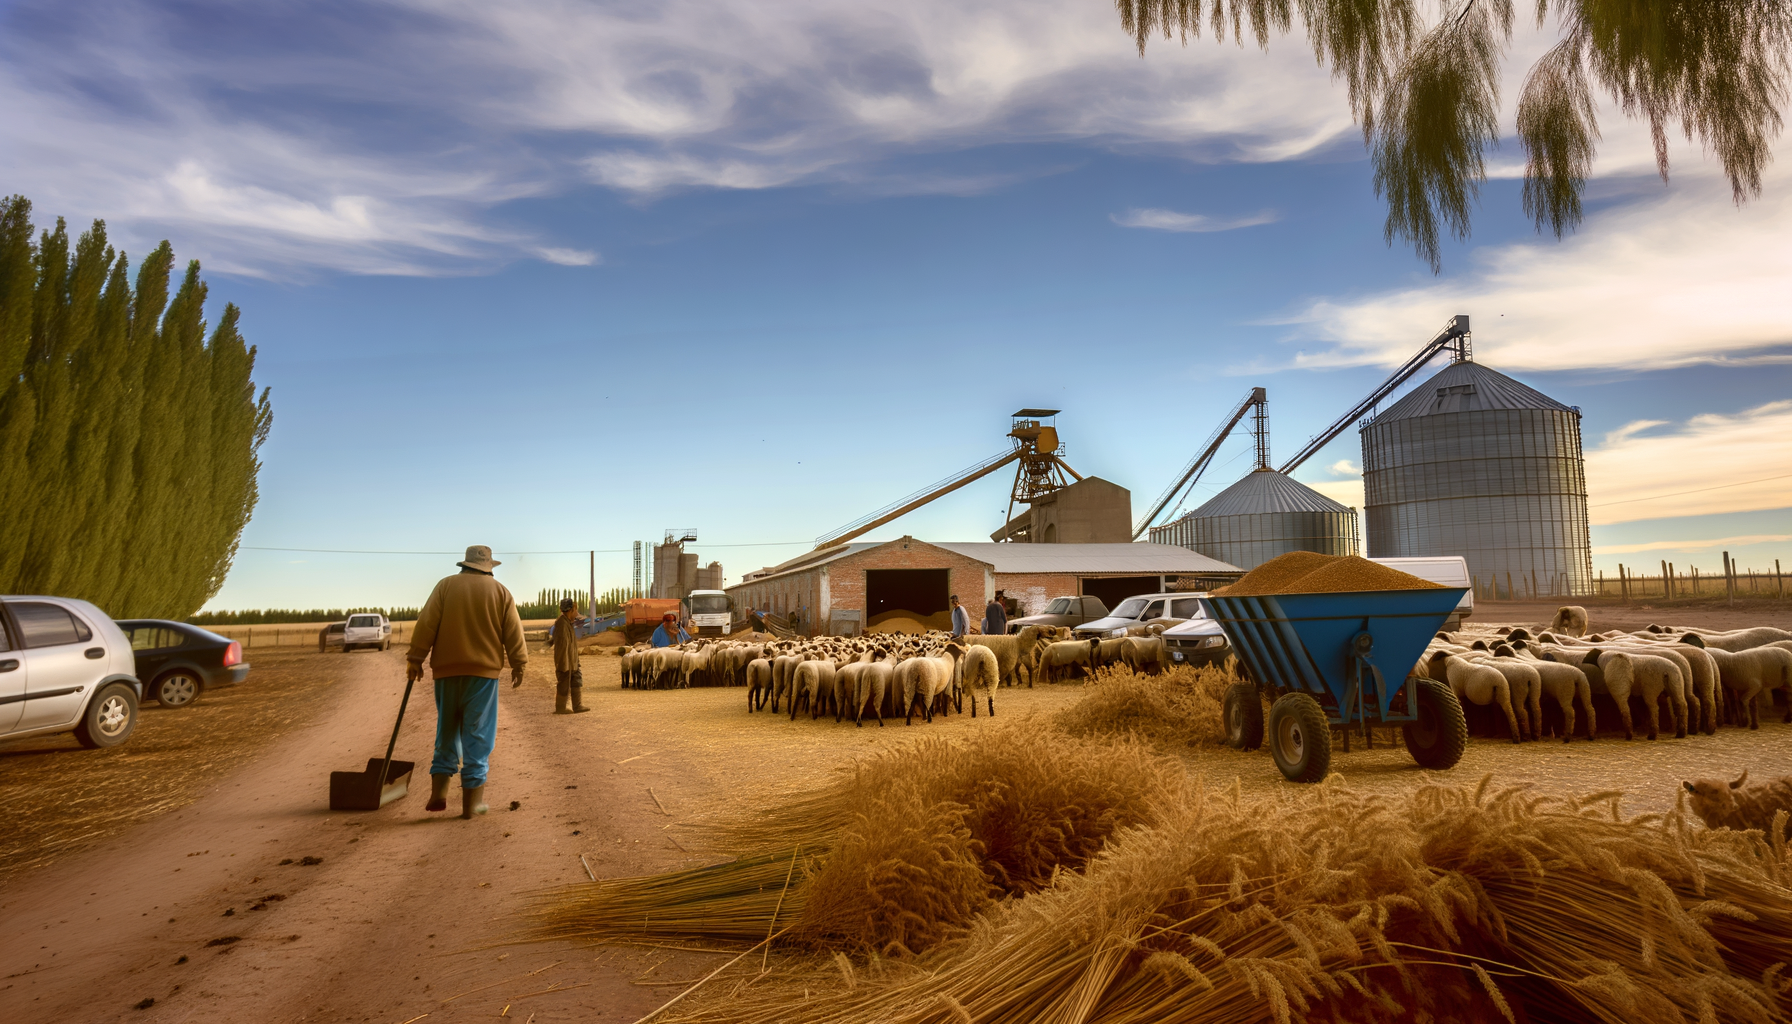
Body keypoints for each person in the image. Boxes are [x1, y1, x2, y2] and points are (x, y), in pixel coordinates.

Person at [406, 545, 527, 819]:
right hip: (483, 675)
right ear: (489, 568)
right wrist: (518, 663)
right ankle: (471, 806)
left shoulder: (445, 586)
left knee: (447, 728)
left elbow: (427, 623)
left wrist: (415, 658)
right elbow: (513, 631)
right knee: (478, 734)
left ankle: (439, 793)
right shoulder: (500, 592)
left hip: (446, 672)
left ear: (465, 564)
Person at [552, 598, 590, 714]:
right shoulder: (562, 624)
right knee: (564, 683)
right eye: (575, 610)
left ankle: (577, 706)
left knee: (576, 680)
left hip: (572, 660)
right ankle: (561, 708)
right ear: (571, 610)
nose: (576, 613)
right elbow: (563, 647)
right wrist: (565, 664)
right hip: (566, 662)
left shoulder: (567, 622)